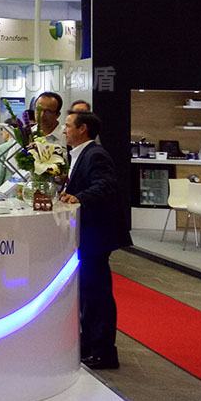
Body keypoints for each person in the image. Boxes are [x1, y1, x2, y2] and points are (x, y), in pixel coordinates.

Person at [59, 110, 120, 370]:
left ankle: (103, 351)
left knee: (97, 294)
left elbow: (106, 185)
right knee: (87, 293)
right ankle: (89, 343)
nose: (64, 130)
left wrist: (79, 197)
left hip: (95, 234)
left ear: (82, 129)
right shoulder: (79, 154)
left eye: (68, 125)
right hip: (86, 234)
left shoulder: (95, 154)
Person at [0, 125, 19, 199]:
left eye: (2, 131)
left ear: (7, 131)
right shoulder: (25, 146)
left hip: (6, 193)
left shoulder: (1, 149)